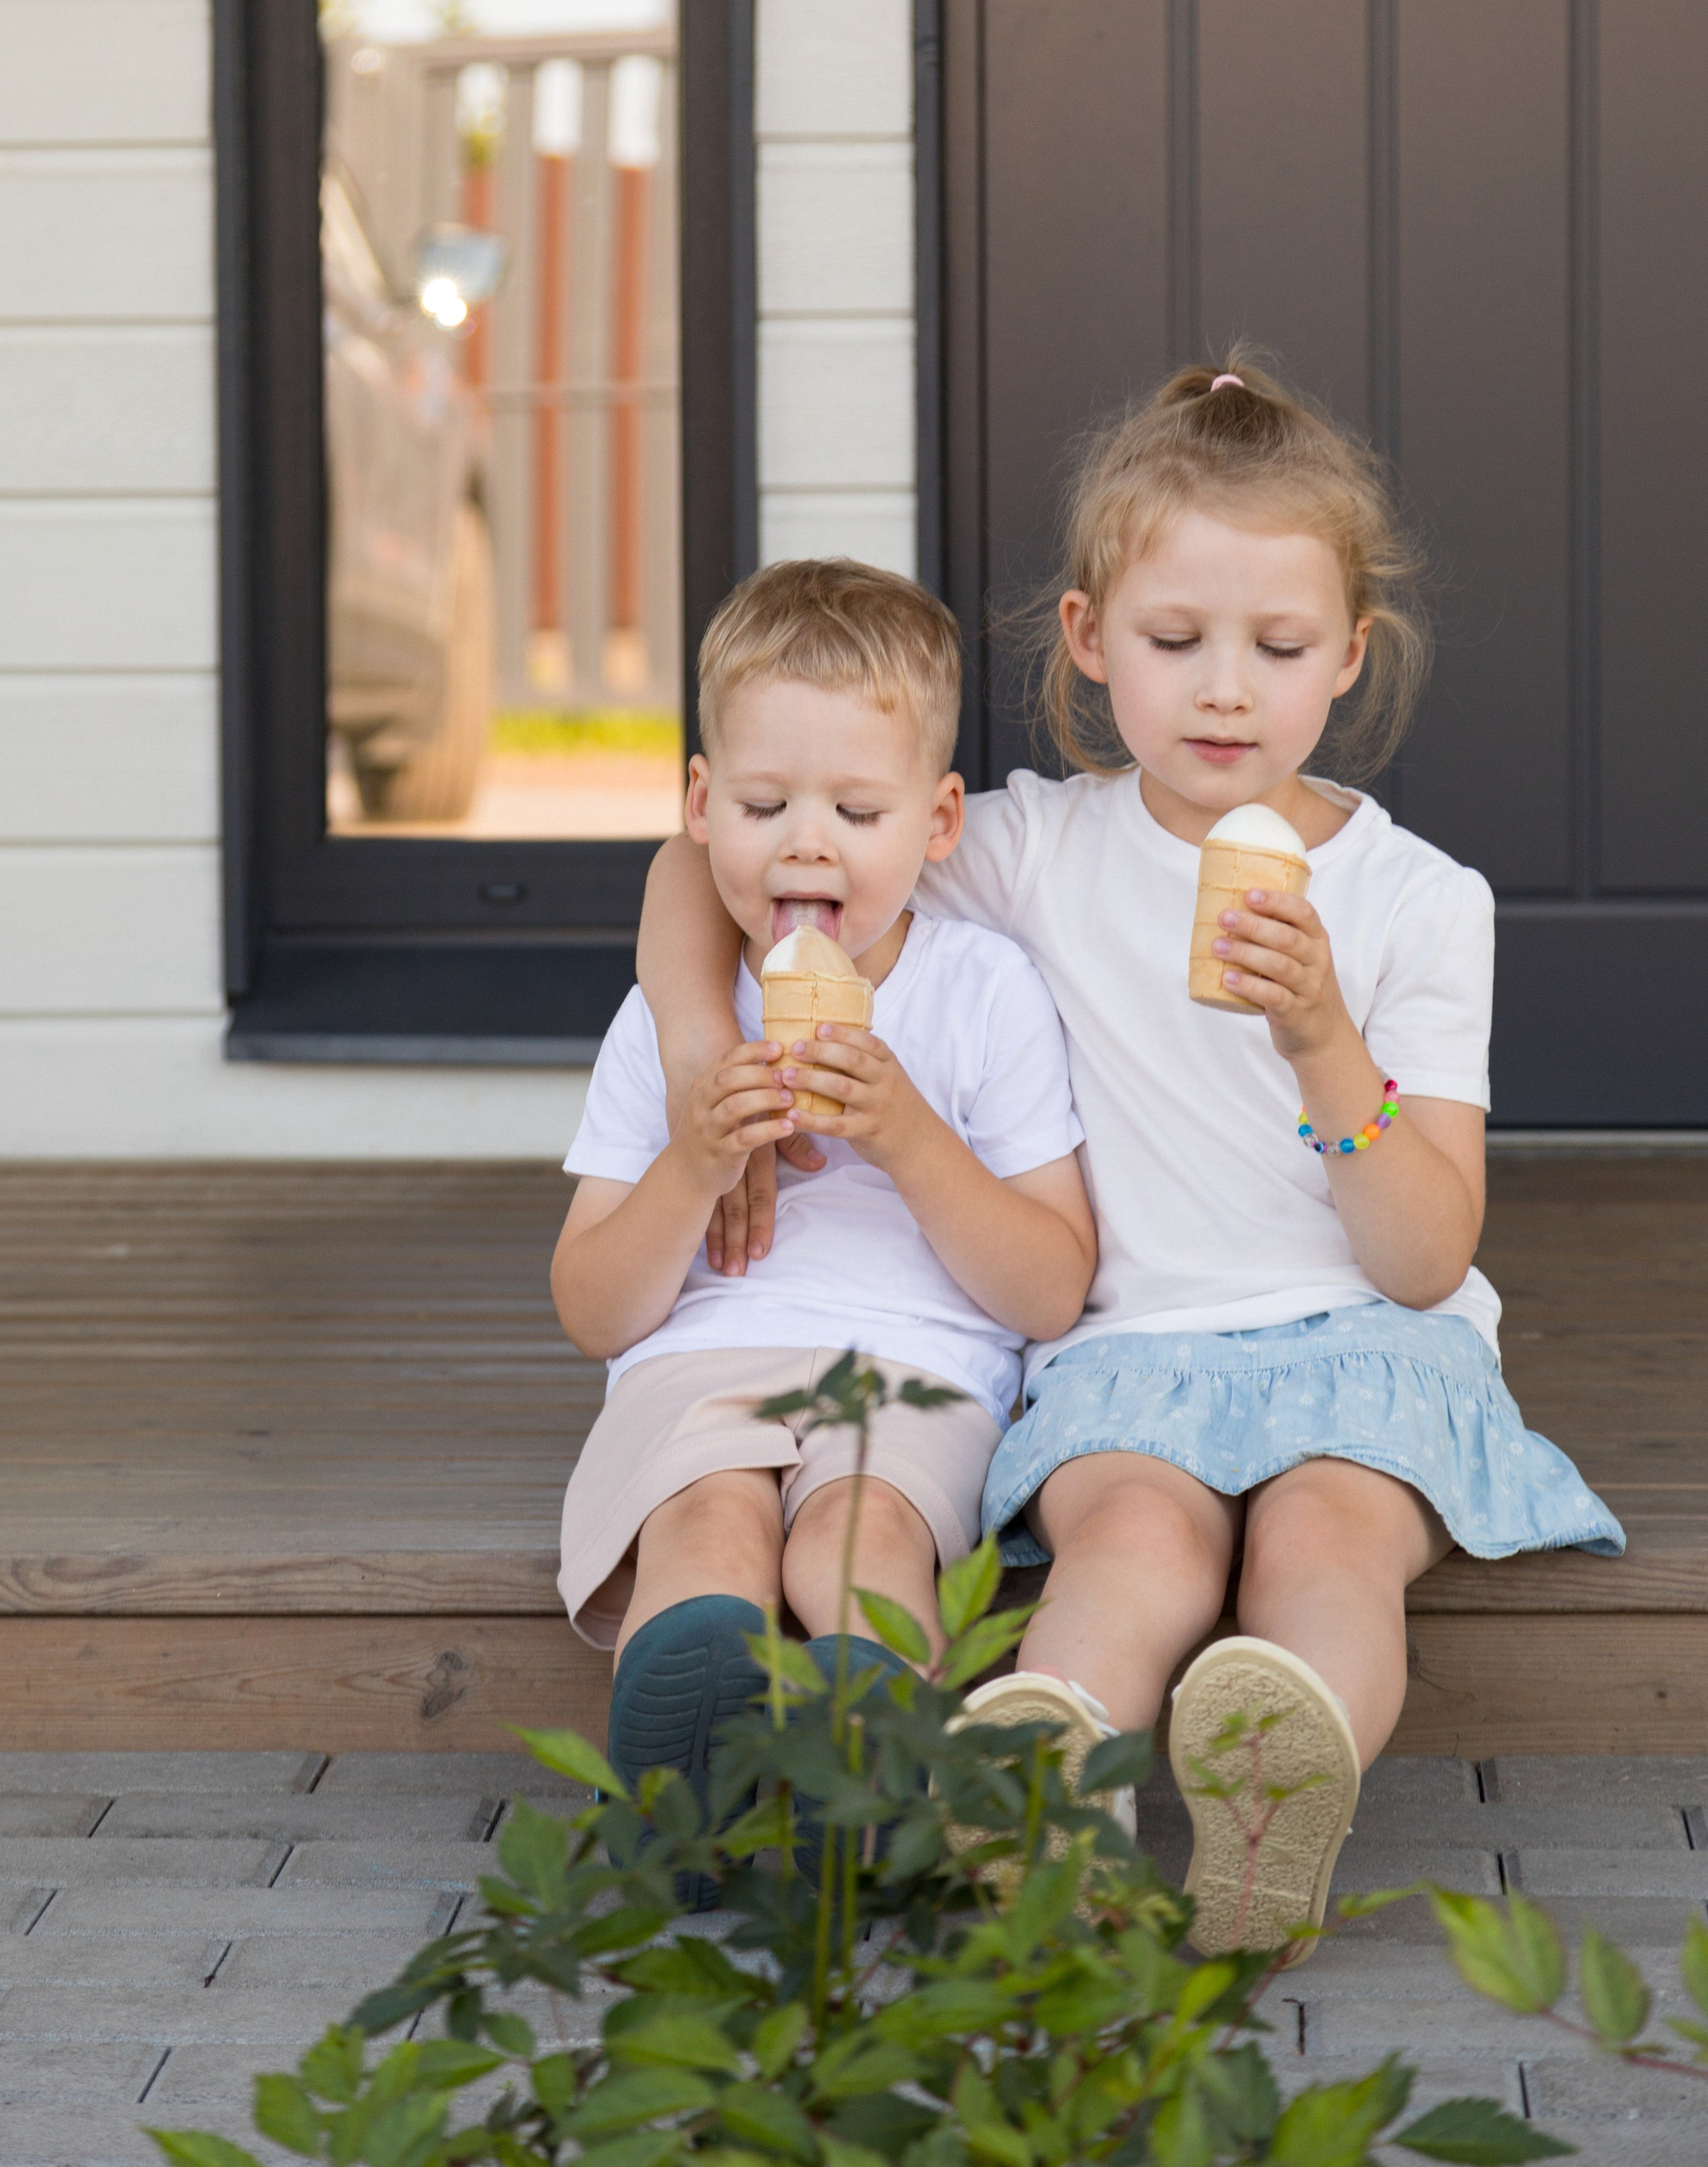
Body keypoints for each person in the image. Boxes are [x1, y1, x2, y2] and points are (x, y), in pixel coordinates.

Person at [636, 358, 1622, 1961]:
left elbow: (1423, 1254)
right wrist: (698, 1048)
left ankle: (1279, 1785)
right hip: (1126, 1351)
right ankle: (1047, 1787)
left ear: (1348, 655)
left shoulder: (1421, 902)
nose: (1224, 692)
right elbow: (715, 858)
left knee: (1325, 1539)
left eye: (1277, 649)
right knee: (1127, 1545)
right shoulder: (1033, 846)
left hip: (1362, 1340)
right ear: (1090, 640)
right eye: (1175, 643)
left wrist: (1321, 1035)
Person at [554, 556, 1093, 1820]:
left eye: (857, 810)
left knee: (860, 1536)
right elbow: (592, 1308)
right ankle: (685, 1803)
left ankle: (870, 1781)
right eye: (764, 804)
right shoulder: (668, 1024)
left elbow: (1051, 1288)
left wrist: (910, 1139)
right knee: (707, 1528)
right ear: (700, 805)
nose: (807, 841)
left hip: (917, 1363)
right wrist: (692, 1162)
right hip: (701, 1355)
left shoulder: (983, 995)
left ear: (938, 822)